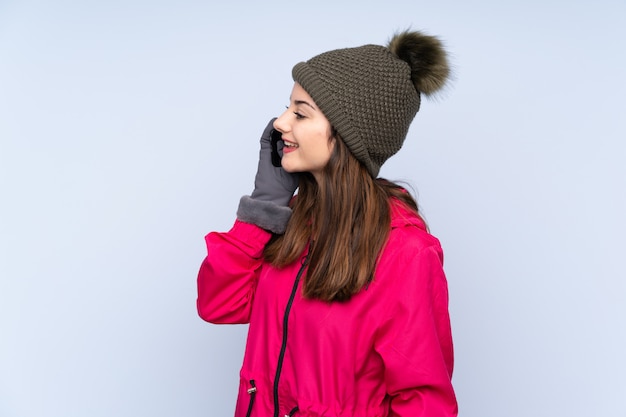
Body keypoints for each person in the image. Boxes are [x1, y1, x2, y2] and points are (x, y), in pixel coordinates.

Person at [197, 30, 457, 417]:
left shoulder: (405, 253)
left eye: (300, 113)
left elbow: (424, 402)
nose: (280, 123)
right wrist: (266, 205)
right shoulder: (292, 223)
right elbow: (218, 303)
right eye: (286, 108)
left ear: (349, 137)